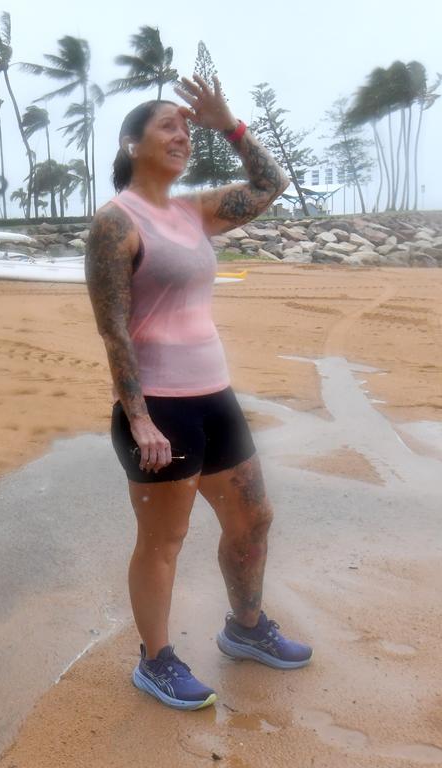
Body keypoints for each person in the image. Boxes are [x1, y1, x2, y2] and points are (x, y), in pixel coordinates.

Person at [85, 74, 312, 711]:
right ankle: (155, 661)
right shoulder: (115, 222)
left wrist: (228, 124)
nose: (182, 136)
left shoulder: (192, 211)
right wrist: (140, 419)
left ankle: (245, 629)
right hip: (158, 406)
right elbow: (113, 328)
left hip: (215, 394)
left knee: (253, 517)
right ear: (132, 142)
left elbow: (271, 185)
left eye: (186, 129)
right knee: (164, 540)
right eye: (169, 126)